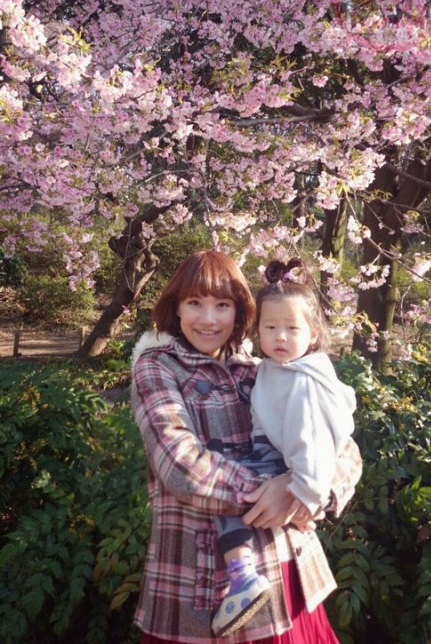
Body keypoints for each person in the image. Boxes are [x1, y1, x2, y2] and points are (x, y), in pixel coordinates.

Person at [131, 249, 362, 644]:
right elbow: (180, 464)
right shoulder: (157, 367)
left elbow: (343, 446)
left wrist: (305, 491)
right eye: (194, 303)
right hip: (201, 582)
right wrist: (273, 489)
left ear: (240, 312)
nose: (208, 319)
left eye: (222, 305)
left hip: (285, 567)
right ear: (176, 308)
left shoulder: (263, 369)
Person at [211, 258, 356, 637]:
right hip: (274, 457)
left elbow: (314, 444)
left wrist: (307, 496)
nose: (279, 337)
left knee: (232, 497)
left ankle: (242, 575)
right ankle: (243, 575)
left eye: (291, 329)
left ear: (313, 334)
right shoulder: (272, 369)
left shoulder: (303, 382)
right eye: (270, 327)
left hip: (287, 465)